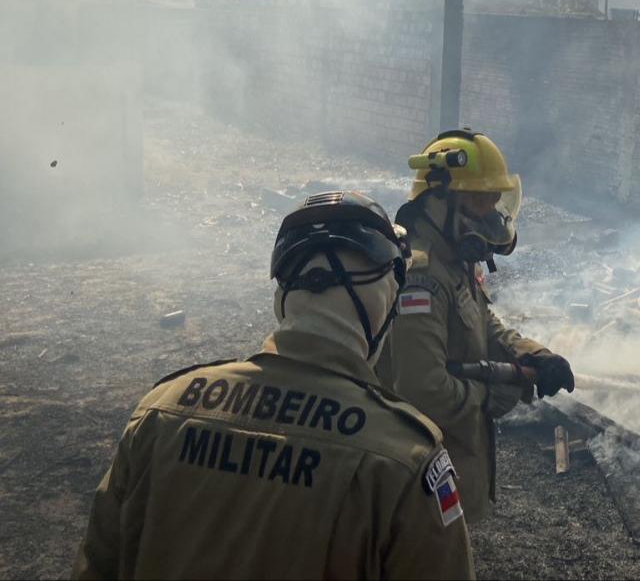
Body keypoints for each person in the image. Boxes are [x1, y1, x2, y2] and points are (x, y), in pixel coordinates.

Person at [72, 191, 475, 580]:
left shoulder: (161, 411)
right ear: (383, 304)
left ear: (283, 296)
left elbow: (97, 566)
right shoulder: (404, 459)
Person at [376, 129, 576, 524]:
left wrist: (532, 353)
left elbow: (483, 321)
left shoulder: (454, 259)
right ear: (438, 201)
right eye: (477, 202)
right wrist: (495, 393)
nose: (488, 216)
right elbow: (423, 390)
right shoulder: (422, 277)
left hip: (451, 469)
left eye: (492, 202)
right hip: (418, 485)